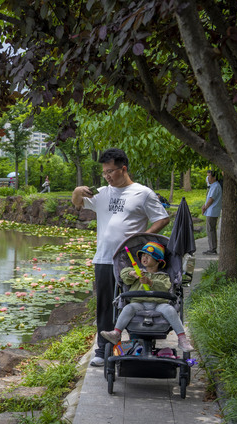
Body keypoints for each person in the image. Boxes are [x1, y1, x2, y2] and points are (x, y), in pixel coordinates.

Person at [72, 148, 170, 367]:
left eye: (111, 171)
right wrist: (78, 190)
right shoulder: (102, 193)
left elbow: (162, 218)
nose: (107, 176)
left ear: (123, 168)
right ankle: (102, 350)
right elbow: (78, 204)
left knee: (135, 302)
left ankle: (137, 345)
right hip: (104, 259)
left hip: (131, 261)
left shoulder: (142, 193)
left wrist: (142, 241)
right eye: (104, 172)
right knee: (105, 306)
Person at [99, 241, 194, 353]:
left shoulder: (163, 276)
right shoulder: (138, 272)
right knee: (128, 308)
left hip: (159, 304)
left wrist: (150, 282)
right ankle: (116, 333)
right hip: (138, 303)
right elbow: (123, 275)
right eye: (143, 255)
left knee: (170, 310)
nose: (144, 257)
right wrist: (132, 274)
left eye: (148, 256)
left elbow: (165, 286)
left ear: (158, 260)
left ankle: (182, 338)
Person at [201, 170, 222, 255]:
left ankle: (212, 248)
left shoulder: (216, 186)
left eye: (209, 176)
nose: (208, 178)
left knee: (211, 230)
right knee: (210, 230)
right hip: (211, 211)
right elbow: (207, 183)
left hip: (212, 211)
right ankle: (212, 248)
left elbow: (211, 199)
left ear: (214, 177)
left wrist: (205, 208)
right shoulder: (213, 185)